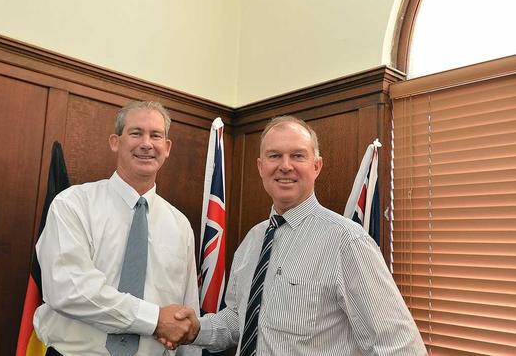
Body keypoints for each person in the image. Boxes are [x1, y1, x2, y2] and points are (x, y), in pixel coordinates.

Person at [166, 116, 426, 355]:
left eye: (298, 156)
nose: (285, 166)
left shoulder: (347, 242)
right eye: (274, 156)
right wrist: (196, 328)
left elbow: (400, 346)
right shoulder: (253, 240)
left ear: (317, 166)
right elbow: (238, 318)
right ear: (260, 166)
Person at [33, 101, 200, 356]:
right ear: (115, 141)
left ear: (166, 148)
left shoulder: (180, 225)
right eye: (136, 133)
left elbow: (187, 312)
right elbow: (71, 290)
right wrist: (154, 319)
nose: (147, 143)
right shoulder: (72, 205)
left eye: (156, 136)